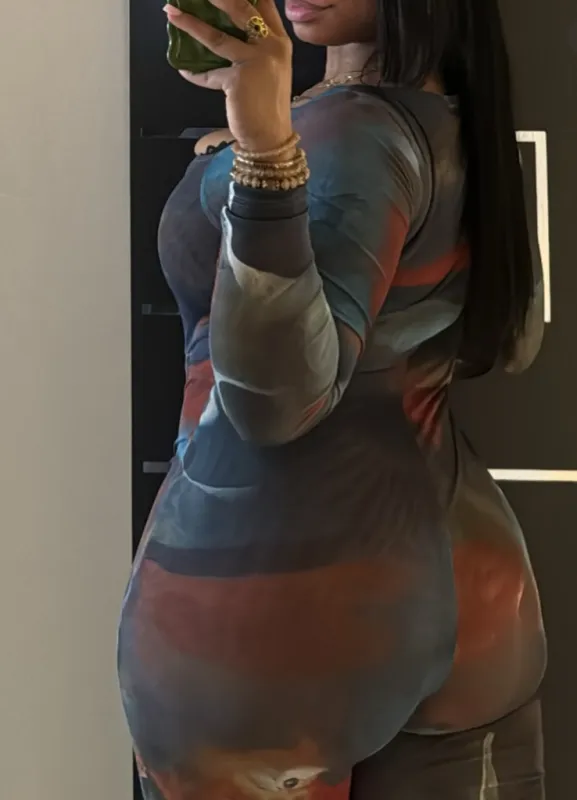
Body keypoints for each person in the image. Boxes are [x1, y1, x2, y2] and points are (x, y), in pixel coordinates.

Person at [117, 0, 548, 797]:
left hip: (271, 611)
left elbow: (274, 402)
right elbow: (512, 339)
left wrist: (266, 154)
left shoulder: (348, 133)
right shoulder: (457, 125)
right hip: (470, 591)